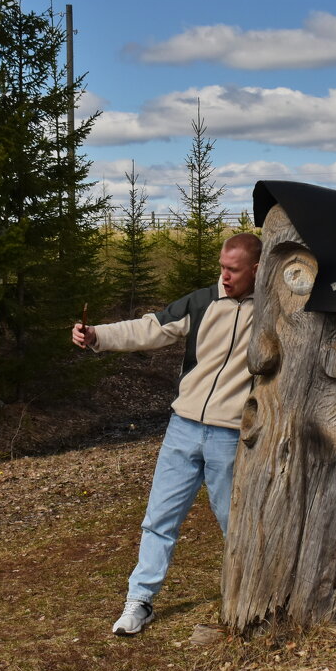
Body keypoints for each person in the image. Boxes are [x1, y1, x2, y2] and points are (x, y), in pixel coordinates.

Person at [72, 232, 261, 635]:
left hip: (230, 437)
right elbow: (151, 328)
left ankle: (254, 600)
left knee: (237, 524)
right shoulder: (202, 301)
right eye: (221, 267)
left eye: (233, 270)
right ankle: (138, 602)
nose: (223, 277)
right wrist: (97, 336)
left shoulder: (273, 311)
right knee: (159, 519)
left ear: (257, 270)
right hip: (183, 429)